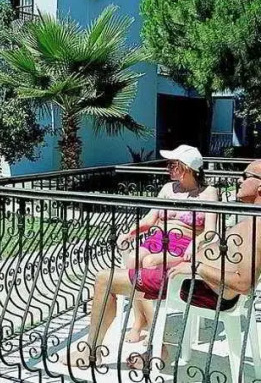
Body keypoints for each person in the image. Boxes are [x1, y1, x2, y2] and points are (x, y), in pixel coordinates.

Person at [72, 160, 261, 369]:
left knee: (104, 279)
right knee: (136, 269)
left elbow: (244, 284)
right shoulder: (252, 219)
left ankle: (92, 352)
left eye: (245, 177)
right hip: (195, 279)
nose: (238, 180)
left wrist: (196, 268)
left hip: (193, 285)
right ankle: (154, 345)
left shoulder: (257, 226)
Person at [117, 145, 218, 343]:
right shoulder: (167, 189)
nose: (168, 168)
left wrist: (196, 242)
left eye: (172, 165)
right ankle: (140, 321)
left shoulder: (208, 193)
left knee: (150, 262)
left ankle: (152, 327)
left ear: (186, 167)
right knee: (134, 259)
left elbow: (210, 231)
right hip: (159, 238)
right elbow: (150, 219)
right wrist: (130, 232)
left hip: (185, 243)